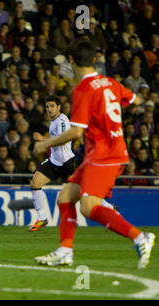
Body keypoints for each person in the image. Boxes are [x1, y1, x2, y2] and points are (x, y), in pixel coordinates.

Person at [33, 39, 155, 269]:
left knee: (88, 207)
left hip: (105, 155)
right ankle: (65, 251)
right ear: (95, 59)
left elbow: (77, 131)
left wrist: (45, 144)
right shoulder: (110, 82)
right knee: (65, 197)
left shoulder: (83, 89)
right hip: (105, 152)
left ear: (71, 61)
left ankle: (140, 237)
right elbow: (136, 100)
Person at [29, 95, 76, 232]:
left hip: (67, 163)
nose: (49, 109)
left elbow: (63, 139)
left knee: (82, 191)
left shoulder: (62, 120)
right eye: (47, 107)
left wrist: (42, 140)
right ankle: (42, 218)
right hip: (54, 161)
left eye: (52, 106)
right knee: (35, 183)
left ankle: (108, 207)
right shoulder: (53, 121)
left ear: (59, 107)